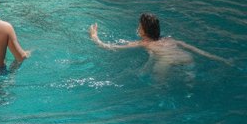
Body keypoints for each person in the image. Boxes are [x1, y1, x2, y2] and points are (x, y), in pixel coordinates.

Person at [88, 13, 231, 74]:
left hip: (166, 61)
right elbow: (198, 51)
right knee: (189, 84)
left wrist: (95, 36)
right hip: (186, 58)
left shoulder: (143, 43)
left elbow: (110, 47)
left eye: (139, 26)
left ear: (143, 31)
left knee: (159, 87)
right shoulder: (170, 39)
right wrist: (221, 59)